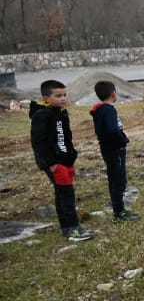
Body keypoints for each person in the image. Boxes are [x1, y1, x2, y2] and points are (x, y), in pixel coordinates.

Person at [30, 79, 92, 242]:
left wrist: (71, 157)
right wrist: (51, 163)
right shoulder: (41, 116)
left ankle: (69, 226)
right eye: (58, 96)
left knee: (63, 193)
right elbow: (39, 142)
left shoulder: (61, 114)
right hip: (54, 163)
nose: (63, 98)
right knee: (66, 194)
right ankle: (71, 229)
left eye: (64, 95)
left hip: (65, 161)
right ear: (46, 98)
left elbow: (66, 138)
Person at [89, 79, 138, 222]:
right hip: (115, 150)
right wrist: (122, 140)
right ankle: (119, 212)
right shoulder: (108, 110)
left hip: (108, 149)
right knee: (118, 180)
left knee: (116, 179)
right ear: (113, 94)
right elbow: (112, 130)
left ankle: (119, 209)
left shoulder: (99, 110)